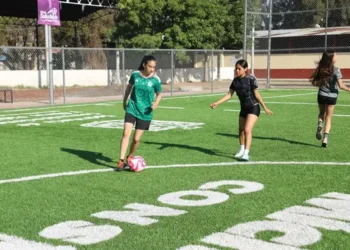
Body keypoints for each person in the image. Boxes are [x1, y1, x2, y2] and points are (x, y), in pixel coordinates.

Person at [210, 59, 273, 161]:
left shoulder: (250, 80)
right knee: (241, 130)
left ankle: (246, 154)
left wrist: (265, 107)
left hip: (253, 107)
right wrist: (216, 103)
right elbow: (229, 94)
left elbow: (257, 94)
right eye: (236, 69)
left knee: (247, 130)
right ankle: (241, 149)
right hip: (243, 108)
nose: (237, 71)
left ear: (245, 69)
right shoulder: (235, 81)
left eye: (239, 69)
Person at [117, 55, 162, 170]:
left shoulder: (155, 80)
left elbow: (159, 94)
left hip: (146, 112)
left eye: (154, 67)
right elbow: (129, 88)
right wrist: (124, 101)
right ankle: (121, 161)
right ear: (144, 65)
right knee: (126, 133)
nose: (152, 69)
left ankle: (130, 156)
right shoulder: (135, 75)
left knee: (136, 139)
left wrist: (156, 103)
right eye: (150, 66)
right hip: (132, 108)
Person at [310, 50, 350, 147]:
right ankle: (325, 139)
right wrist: (349, 89)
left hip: (321, 95)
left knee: (321, 114)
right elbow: (340, 85)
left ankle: (320, 125)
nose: (337, 56)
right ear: (331, 58)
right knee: (328, 117)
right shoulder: (336, 70)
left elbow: (316, 81)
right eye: (335, 55)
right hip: (332, 96)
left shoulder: (321, 69)